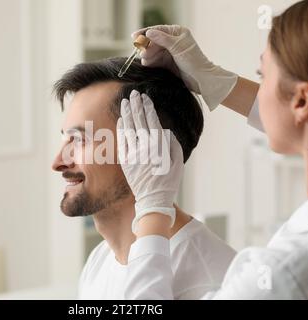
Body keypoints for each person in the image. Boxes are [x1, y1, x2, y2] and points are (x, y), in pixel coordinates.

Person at [119, 0, 308, 299]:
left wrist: (151, 210)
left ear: (302, 101)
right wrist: (213, 78)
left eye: (262, 75)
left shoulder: (287, 272)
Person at [51, 58, 236, 300]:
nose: (58, 162)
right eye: (66, 138)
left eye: (81, 140)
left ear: (150, 149)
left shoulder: (214, 283)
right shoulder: (100, 261)